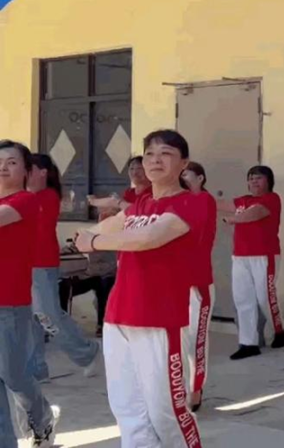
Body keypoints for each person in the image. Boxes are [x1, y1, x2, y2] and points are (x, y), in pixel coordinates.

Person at [74, 130, 206, 448]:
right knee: (127, 409)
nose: (155, 160)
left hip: (158, 317)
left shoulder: (192, 203)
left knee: (166, 412)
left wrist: (94, 241)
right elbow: (109, 226)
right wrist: (87, 236)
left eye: (165, 153)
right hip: (119, 314)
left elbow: (148, 238)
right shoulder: (141, 204)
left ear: (183, 163)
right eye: (149, 154)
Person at [0, 140, 60, 448]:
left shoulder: (25, 200)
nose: (3, 167)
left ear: (26, 170)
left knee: (14, 377)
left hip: (9, 303)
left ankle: (43, 417)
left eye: (12, 162)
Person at [27, 153, 101, 384]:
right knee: (29, 317)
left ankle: (86, 351)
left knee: (47, 314)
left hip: (41, 263)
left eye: (29, 167)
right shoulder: (23, 196)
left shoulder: (47, 196)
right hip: (22, 263)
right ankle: (36, 369)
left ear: (43, 172)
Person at [219, 166, 284, 361]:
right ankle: (248, 343)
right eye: (250, 179)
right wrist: (196, 193)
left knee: (265, 297)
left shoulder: (271, 198)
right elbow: (219, 204)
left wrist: (233, 219)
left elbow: (255, 214)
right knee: (243, 299)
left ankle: (280, 329)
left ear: (268, 181)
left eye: (258, 178)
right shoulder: (243, 200)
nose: (254, 182)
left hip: (264, 256)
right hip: (240, 256)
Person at [180, 162, 217, 411]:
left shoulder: (204, 200)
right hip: (177, 282)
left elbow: (194, 231)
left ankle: (195, 389)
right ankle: (181, 388)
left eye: (186, 174)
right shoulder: (177, 201)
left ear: (200, 178)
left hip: (198, 282)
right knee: (179, 340)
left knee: (196, 340)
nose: (182, 178)